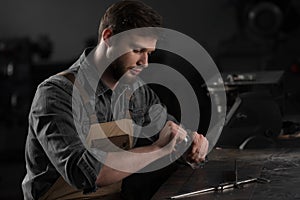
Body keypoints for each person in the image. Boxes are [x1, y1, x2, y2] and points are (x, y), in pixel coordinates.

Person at [22, 0, 209, 199]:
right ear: (109, 37)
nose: (144, 63)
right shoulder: (56, 93)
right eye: (137, 50)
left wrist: (191, 147)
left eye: (149, 53)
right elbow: (84, 174)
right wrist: (158, 149)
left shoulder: (136, 93)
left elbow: (170, 133)